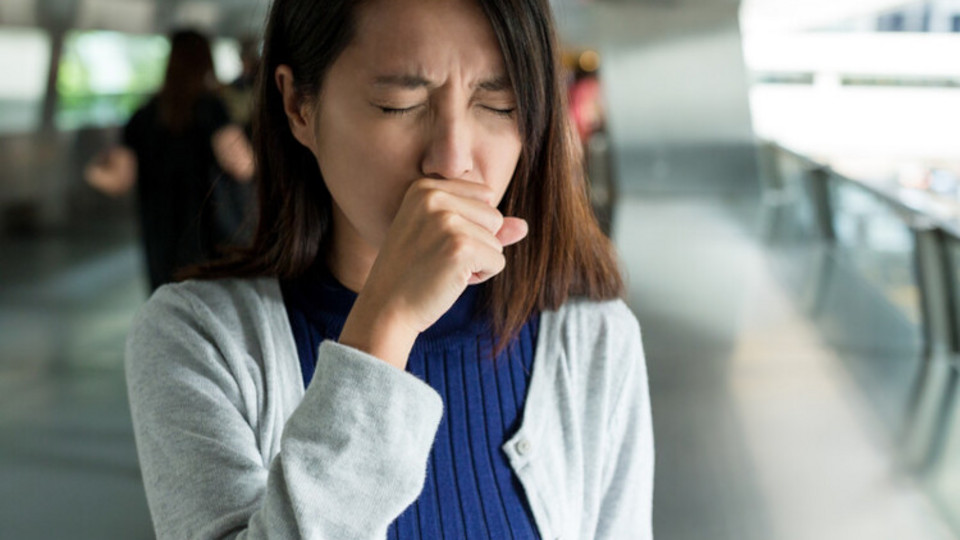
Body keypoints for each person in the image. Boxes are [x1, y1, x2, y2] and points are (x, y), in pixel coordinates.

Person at [125, 0, 654, 538]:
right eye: (398, 103)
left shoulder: (592, 339)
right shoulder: (198, 340)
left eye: (498, 104)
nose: (451, 160)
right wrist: (388, 321)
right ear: (299, 106)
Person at [85, 29, 255, 292]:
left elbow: (118, 181)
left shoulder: (143, 116)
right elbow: (243, 165)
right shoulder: (212, 109)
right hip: (212, 240)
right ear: (206, 62)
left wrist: (93, 170)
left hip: (162, 241)